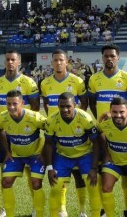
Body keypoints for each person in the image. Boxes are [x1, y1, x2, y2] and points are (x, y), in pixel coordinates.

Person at [88, 44, 127, 217]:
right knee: (104, 170)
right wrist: (102, 119)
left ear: (117, 58)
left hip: (123, 132)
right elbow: (92, 104)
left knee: (125, 173)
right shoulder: (94, 79)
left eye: (112, 56)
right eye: (106, 56)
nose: (109, 58)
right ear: (102, 58)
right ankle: (103, 208)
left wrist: (115, 115)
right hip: (103, 132)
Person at [40, 49, 90, 216]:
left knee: (78, 175)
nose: (58, 63)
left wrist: (74, 122)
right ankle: (61, 210)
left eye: (61, 60)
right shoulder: (45, 83)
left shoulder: (77, 81)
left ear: (66, 62)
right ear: (52, 63)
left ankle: (82, 210)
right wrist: (53, 121)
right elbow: (46, 104)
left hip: (75, 133)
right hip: (55, 133)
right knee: (58, 174)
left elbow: (84, 103)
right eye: (55, 60)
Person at [43, 92, 102, 217]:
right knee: (55, 187)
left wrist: (94, 167)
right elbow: (47, 143)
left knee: (92, 185)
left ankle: (93, 214)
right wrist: (49, 168)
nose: (65, 109)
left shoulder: (85, 118)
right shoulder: (52, 120)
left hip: (84, 155)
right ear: (58, 106)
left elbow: (96, 142)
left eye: (68, 106)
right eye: (61, 106)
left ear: (75, 105)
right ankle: (59, 212)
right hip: (63, 156)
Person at [0, 91, 48, 217]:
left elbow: (50, 131)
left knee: (36, 183)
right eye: (8, 104)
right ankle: (9, 214)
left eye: (15, 103)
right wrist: (7, 151)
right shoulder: (2, 117)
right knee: (6, 182)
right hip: (16, 156)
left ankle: (38, 212)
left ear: (22, 103)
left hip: (35, 155)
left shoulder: (34, 117)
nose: (11, 107)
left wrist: (43, 152)